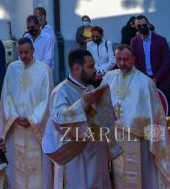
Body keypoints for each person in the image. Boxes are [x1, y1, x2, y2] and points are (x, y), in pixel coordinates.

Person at [100, 45, 170, 189]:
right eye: (119, 59)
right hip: (114, 138)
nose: (122, 63)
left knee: (139, 177)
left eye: (126, 59)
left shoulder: (145, 83)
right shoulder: (109, 78)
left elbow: (156, 117)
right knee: (116, 177)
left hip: (138, 140)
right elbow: (101, 106)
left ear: (133, 59)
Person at [44, 49, 116, 189]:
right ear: (77, 68)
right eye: (90, 66)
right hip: (75, 158)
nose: (95, 70)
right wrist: (82, 104)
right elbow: (58, 120)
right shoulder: (61, 91)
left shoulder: (89, 87)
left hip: (96, 154)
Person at [0, 38, 51, 189]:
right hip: (16, 126)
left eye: (26, 52)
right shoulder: (12, 68)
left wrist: (32, 118)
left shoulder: (44, 70)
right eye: (20, 52)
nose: (23, 55)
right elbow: (6, 95)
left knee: (37, 169)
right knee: (17, 167)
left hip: (36, 128)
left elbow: (47, 99)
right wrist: (14, 115)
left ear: (33, 50)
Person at [130, 15, 170, 107]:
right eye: (139, 26)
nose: (142, 27)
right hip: (144, 81)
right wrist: (146, 79)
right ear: (136, 27)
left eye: (144, 25)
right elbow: (134, 62)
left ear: (148, 24)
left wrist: (156, 79)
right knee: (147, 109)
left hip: (162, 81)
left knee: (168, 109)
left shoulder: (161, 40)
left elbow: (166, 62)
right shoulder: (134, 41)